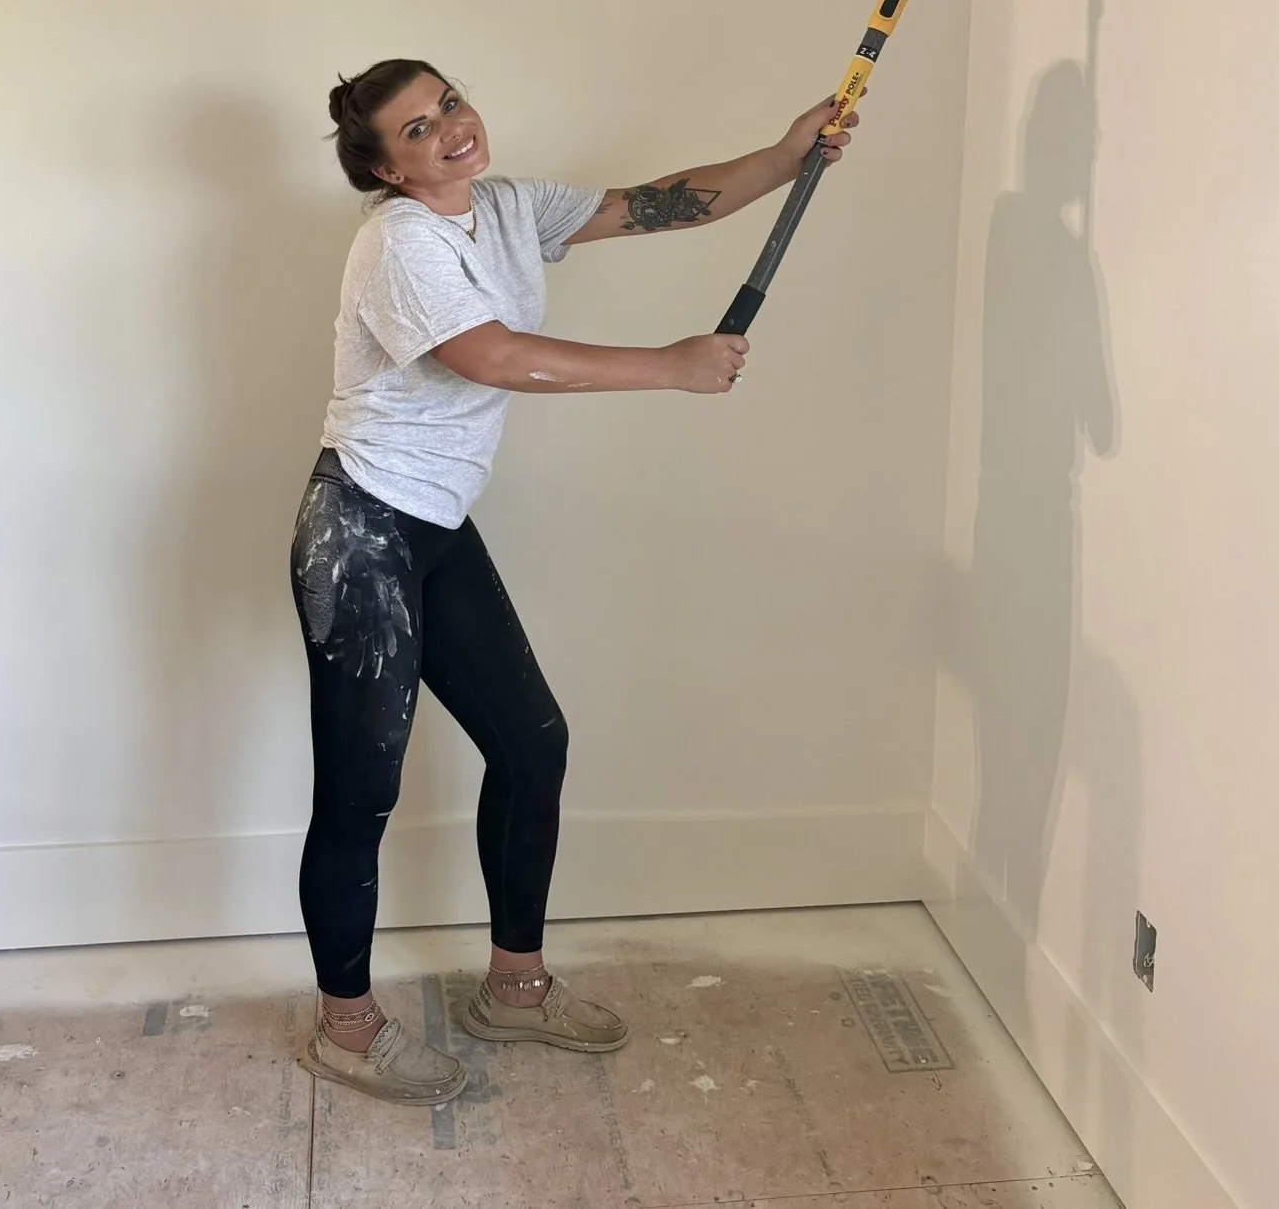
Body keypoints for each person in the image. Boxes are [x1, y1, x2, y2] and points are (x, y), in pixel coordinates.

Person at [293, 59, 857, 1103]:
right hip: (361, 528)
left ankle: (514, 987)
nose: (452, 128)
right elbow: (492, 356)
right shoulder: (396, 242)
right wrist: (670, 364)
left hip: (436, 525)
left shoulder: (505, 207)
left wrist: (785, 154)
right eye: (418, 129)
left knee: (531, 739)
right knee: (362, 790)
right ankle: (347, 1025)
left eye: (450, 101)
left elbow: (656, 204)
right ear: (384, 165)